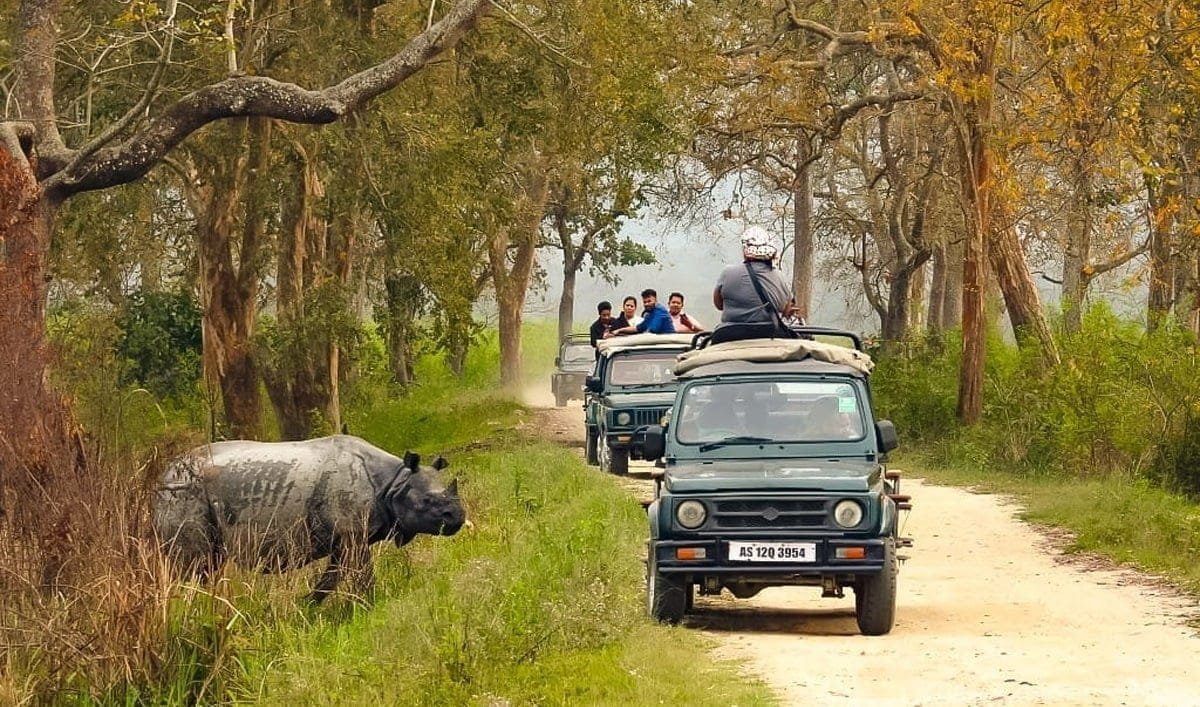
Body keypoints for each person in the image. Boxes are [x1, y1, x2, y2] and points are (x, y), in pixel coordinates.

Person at [711, 225, 800, 342]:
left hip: (729, 334)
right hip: (769, 336)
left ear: (745, 250)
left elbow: (719, 305)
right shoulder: (780, 276)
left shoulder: (728, 272)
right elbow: (786, 309)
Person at [608, 288, 675, 336]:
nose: (646, 304)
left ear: (655, 300)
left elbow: (652, 330)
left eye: (649, 301)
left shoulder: (660, 311)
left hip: (668, 346)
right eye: (645, 302)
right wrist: (619, 330)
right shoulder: (649, 315)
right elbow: (638, 328)